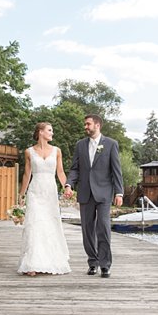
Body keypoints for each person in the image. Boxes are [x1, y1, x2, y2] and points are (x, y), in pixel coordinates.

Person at [64, 114, 124, 278]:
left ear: (97, 125)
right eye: (85, 124)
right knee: (87, 230)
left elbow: (116, 170)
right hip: (85, 192)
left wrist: (119, 192)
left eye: (88, 124)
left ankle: (105, 265)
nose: (85, 127)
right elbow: (75, 168)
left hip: (104, 193)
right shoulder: (80, 145)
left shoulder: (111, 144)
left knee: (103, 228)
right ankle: (93, 262)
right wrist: (69, 184)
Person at [17, 122, 71, 276]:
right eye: (49, 130)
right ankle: (32, 264)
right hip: (35, 191)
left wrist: (67, 187)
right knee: (34, 225)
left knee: (50, 224)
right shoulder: (29, 152)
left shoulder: (57, 151)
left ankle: (51, 260)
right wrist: (21, 195)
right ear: (40, 132)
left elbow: (60, 172)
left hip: (50, 191)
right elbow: (27, 175)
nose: (52, 133)